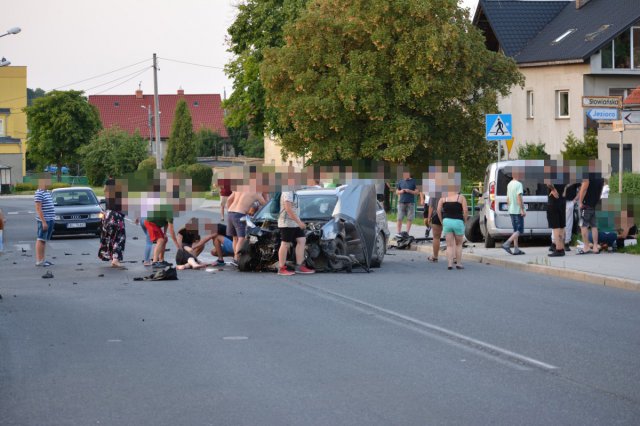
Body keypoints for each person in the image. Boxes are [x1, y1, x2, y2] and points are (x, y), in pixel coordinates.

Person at [277, 190, 315, 276]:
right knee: (285, 244)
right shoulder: (287, 192)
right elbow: (288, 209)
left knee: (302, 240)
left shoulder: (293, 192)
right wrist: (299, 222)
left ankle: (299, 266)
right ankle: (281, 268)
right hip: (287, 222)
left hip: (294, 223)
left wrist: (298, 222)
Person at [226, 187, 266, 266]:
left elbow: (229, 199)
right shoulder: (256, 192)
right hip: (240, 214)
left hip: (230, 212)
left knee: (235, 237)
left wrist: (229, 209)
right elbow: (265, 205)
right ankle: (236, 259)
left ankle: (235, 257)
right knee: (242, 238)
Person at [98, 178, 127, 268]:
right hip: (117, 218)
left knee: (109, 238)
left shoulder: (107, 195)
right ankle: (115, 259)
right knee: (120, 238)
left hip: (107, 217)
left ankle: (107, 254)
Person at [437, 190, 468, 270]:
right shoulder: (461, 198)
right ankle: (458, 263)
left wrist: (441, 220)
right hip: (458, 222)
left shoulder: (443, 198)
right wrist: (465, 220)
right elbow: (465, 211)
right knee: (459, 244)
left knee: (449, 245)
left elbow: (438, 210)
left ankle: (449, 264)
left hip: (447, 221)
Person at [578, 169, 604, 254]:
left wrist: (580, 201)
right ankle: (595, 247)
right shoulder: (600, 177)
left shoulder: (587, 175)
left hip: (586, 204)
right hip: (594, 204)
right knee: (594, 226)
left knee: (583, 225)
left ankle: (586, 246)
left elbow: (584, 189)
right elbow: (600, 192)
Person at [502, 169, 526, 255]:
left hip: (511, 210)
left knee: (515, 230)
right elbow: (519, 198)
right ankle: (507, 243)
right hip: (517, 210)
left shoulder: (509, 184)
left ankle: (516, 249)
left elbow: (508, 199)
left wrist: (510, 207)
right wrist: (522, 209)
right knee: (519, 230)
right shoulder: (519, 184)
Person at [34, 175, 55, 267]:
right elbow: (38, 208)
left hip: (50, 219)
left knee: (44, 240)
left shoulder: (46, 192)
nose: (49, 183)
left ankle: (43, 260)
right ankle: (39, 260)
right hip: (45, 220)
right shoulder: (39, 193)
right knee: (40, 239)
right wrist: (43, 222)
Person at [546, 181, 566, 257]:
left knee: (555, 226)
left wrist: (553, 189)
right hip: (562, 200)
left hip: (553, 201)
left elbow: (548, 182)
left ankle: (558, 249)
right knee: (561, 225)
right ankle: (561, 248)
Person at [396, 172, 418, 237]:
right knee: (399, 218)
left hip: (410, 202)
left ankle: (407, 233)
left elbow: (417, 192)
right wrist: (401, 191)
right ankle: (398, 232)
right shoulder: (400, 181)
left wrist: (409, 191)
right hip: (401, 202)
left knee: (409, 218)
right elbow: (397, 191)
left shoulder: (414, 181)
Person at [426, 194, 442, 263]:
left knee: (436, 237)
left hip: (436, 215)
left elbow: (431, 206)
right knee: (451, 237)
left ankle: (435, 256)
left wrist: (429, 217)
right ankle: (454, 257)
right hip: (449, 215)